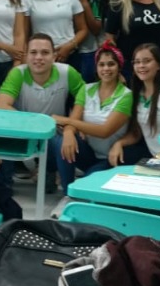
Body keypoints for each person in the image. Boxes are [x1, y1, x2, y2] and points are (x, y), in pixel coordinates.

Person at [0, 34, 86, 194]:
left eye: (45, 52)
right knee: (2, 136)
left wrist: (72, 126)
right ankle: (5, 187)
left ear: (54, 56)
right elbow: (1, 105)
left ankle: (68, 192)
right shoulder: (18, 74)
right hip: (24, 132)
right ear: (26, 56)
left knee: (65, 143)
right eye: (33, 52)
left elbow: (85, 96)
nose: (38, 57)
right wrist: (39, 123)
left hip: (54, 133)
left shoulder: (67, 72)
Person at [49, 43, 134, 195]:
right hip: (89, 153)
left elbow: (105, 131)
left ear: (119, 67)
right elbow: (74, 118)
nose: (106, 68)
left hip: (110, 158)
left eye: (111, 64)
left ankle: (79, 188)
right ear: (96, 67)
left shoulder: (126, 95)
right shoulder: (86, 89)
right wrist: (68, 132)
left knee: (85, 188)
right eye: (101, 64)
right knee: (60, 140)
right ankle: (66, 192)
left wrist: (67, 121)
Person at [107, 43, 160, 164]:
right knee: (120, 156)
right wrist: (119, 143)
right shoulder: (138, 94)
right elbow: (137, 133)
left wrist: (158, 158)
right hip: (154, 157)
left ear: (159, 65)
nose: (141, 66)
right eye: (137, 62)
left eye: (147, 61)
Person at [22, 0, 88, 71]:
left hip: (69, 56)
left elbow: (83, 30)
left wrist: (68, 47)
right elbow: (25, 35)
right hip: (40, 58)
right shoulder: (27, 0)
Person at [61, 0, 103, 82]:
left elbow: (96, 29)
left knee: (86, 88)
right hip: (64, 52)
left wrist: (84, 1)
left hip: (87, 52)